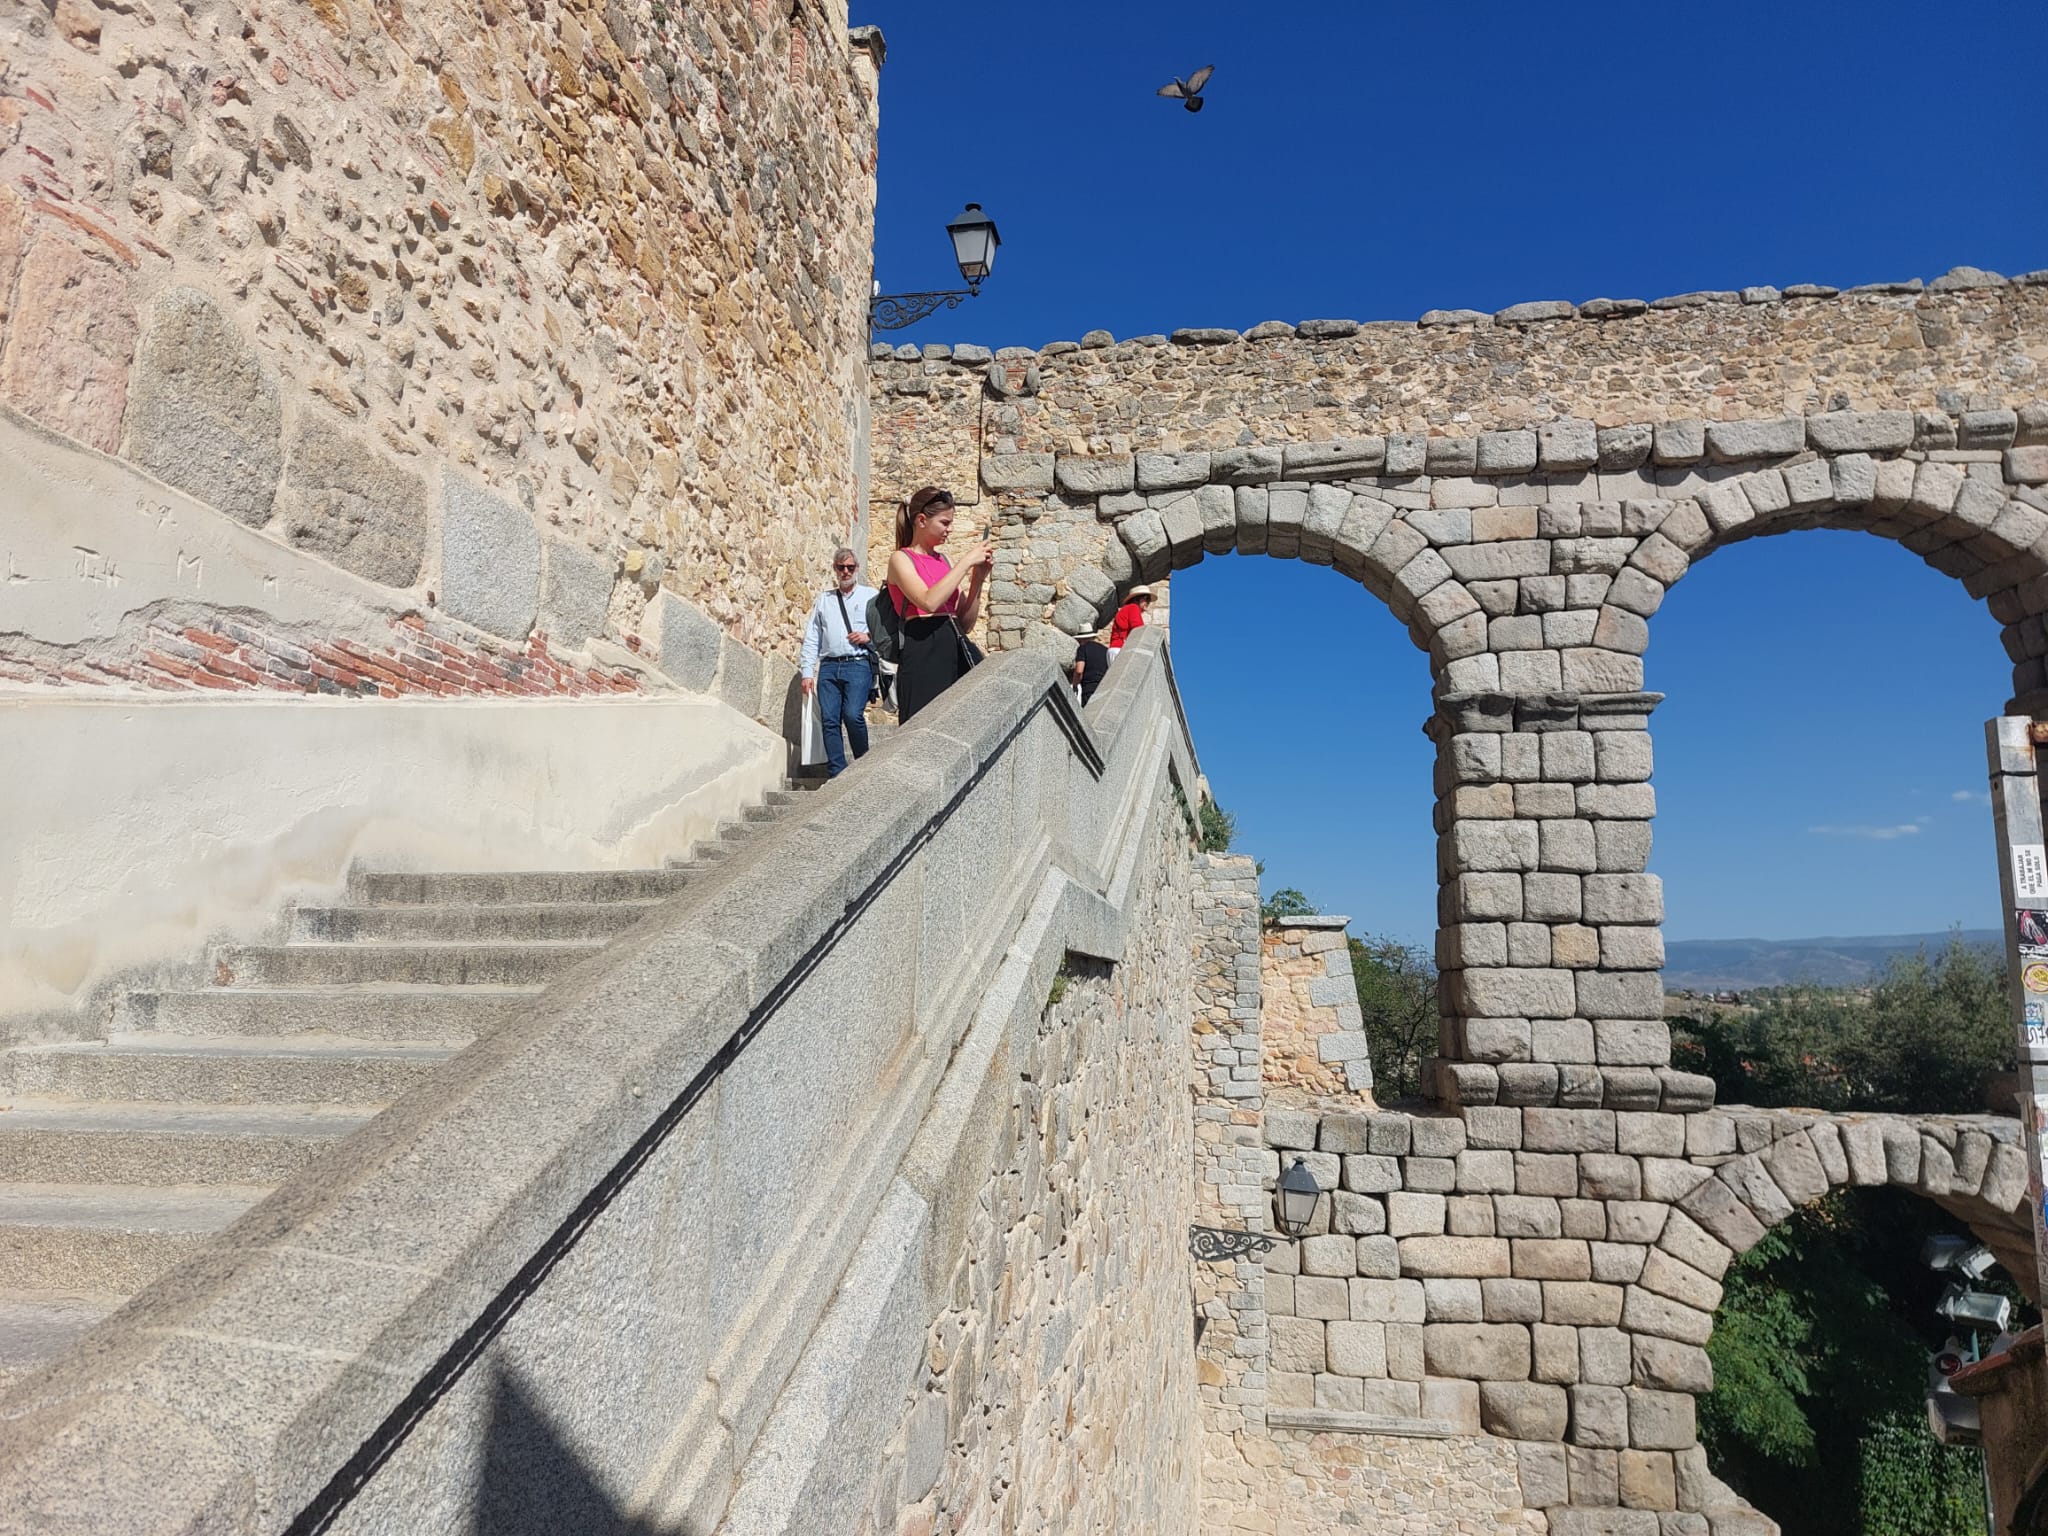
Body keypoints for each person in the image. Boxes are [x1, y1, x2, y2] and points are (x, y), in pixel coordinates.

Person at [886, 486, 991, 723]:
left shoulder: (944, 560)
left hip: (951, 646)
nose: (949, 530)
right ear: (922, 520)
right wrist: (965, 562)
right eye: (945, 523)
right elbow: (928, 601)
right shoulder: (900, 559)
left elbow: (965, 622)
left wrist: (977, 580)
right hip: (923, 650)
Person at [798, 547, 880, 777]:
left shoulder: (871, 596)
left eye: (850, 567)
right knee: (829, 719)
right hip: (829, 667)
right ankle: (837, 772)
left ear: (857, 569)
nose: (846, 571)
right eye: (841, 567)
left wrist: (868, 637)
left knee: (853, 714)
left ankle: (864, 765)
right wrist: (807, 672)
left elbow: (884, 631)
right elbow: (812, 637)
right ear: (834, 569)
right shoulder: (824, 600)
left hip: (858, 664)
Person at [1071, 630, 1109, 705]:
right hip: (1104, 689)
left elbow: (1079, 670)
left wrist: (1075, 685)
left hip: (1089, 690)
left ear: (1080, 639)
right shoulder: (1105, 650)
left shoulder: (1082, 648)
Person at [1110, 585, 1153, 649]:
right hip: (1121, 648)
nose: (1148, 602)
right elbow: (1139, 630)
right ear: (1137, 599)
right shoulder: (1133, 607)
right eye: (1146, 598)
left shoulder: (1127, 608)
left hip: (1116, 647)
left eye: (1149, 600)